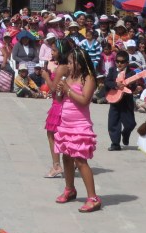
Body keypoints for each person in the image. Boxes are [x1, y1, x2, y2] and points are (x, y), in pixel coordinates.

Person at [53, 47, 101, 212]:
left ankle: (93, 197)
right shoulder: (69, 77)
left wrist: (67, 89)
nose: (68, 65)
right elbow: (61, 98)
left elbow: (84, 100)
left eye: (70, 62)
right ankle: (70, 189)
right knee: (66, 157)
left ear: (80, 63)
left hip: (80, 125)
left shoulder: (88, 78)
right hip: (65, 123)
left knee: (80, 161)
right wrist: (60, 92)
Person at [103, 49, 138, 151]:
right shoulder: (112, 70)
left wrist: (130, 85)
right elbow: (107, 82)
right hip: (114, 100)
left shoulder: (131, 73)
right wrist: (115, 84)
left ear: (127, 63)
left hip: (126, 102)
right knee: (113, 123)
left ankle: (125, 133)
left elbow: (133, 87)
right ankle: (115, 144)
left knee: (130, 124)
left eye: (122, 62)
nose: (119, 64)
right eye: (117, 61)